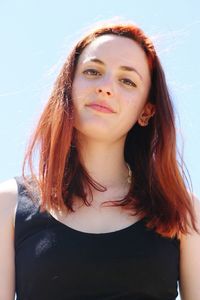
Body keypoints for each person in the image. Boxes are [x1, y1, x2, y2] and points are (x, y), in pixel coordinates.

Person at [0, 20, 200, 300]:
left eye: (127, 81)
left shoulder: (183, 210)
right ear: (68, 88)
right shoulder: (8, 203)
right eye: (93, 72)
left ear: (146, 111)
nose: (106, 87)